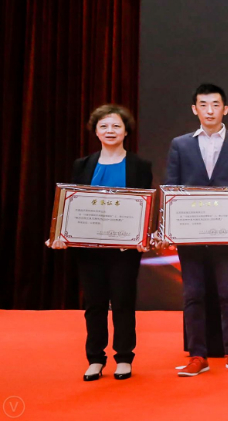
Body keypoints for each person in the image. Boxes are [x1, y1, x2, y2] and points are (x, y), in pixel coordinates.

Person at [53, 105, 153, 382]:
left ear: (126, 131)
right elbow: (72, 205)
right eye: (104, 126)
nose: (110, 131)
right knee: (94, 304)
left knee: (122, 302)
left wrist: (143, 236)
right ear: (96, 131)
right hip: (88, 249)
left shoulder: (140, 166)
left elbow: (144, 206)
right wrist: (61, 234)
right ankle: (95, 358)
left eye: (116, 126)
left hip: (124, 249)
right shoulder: (82, 164)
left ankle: (124, 357)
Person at [164, 83, 228, 376]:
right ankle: (197, 356)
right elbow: (172, 188)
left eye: (215, 105)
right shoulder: (180, 144)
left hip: (227, 235)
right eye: (203, 105)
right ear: (195, 109)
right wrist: (170, 228)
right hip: (190, 235)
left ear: (225, 109)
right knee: (193, 294)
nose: (210, 110)